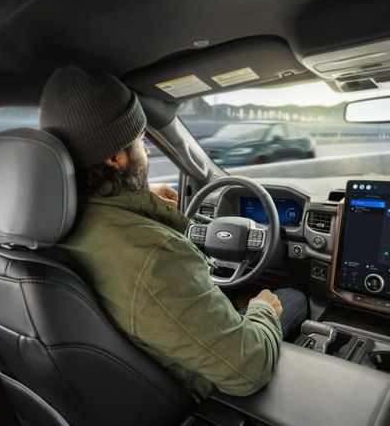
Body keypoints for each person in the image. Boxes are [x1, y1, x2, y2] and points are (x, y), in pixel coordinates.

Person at [37, 66, 308, 401]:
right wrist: (261, 309)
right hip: (189, 393)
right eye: (141, 141)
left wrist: (145, 204)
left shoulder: (48, 225)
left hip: (123, 383)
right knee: (291, 298)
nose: (147, 151)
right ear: (114, 157)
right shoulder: (155, 256)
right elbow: (247, 370)